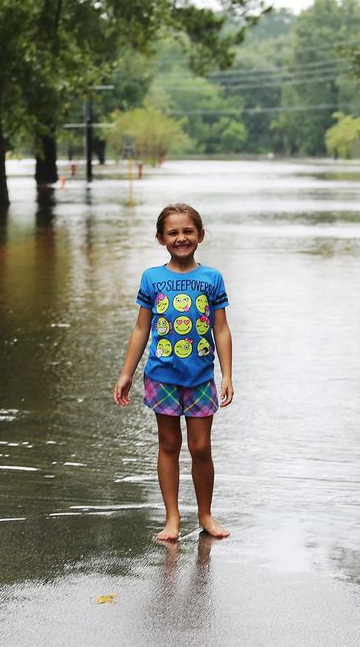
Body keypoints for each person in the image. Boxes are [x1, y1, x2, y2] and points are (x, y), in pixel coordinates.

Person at [114, 203, 234, 542]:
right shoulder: (153, 279)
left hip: (200, 378)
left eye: (187, 231)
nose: (181, 238)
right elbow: (141, 330)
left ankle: (206, 515)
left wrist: (226, 374)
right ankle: (172, 518)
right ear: (160, 238)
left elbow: (221, 330)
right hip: (161, 376)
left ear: (200, 235)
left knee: (200, 448)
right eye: (173, 233)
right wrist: (126, 374)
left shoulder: (212, 278)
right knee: (168, 444)